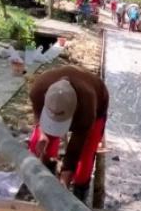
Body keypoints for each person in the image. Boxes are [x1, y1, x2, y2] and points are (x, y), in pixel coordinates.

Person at [28, 65, 109, 202]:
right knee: (38, 142)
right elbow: (37, 116)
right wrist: (42, 133)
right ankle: (43, 173)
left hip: (98, 103)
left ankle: (80, 191)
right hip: (61, 95)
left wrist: (65, 179)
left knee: (86, 155)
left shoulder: (87, 108)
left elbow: (75, 149)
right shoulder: (38, 90)